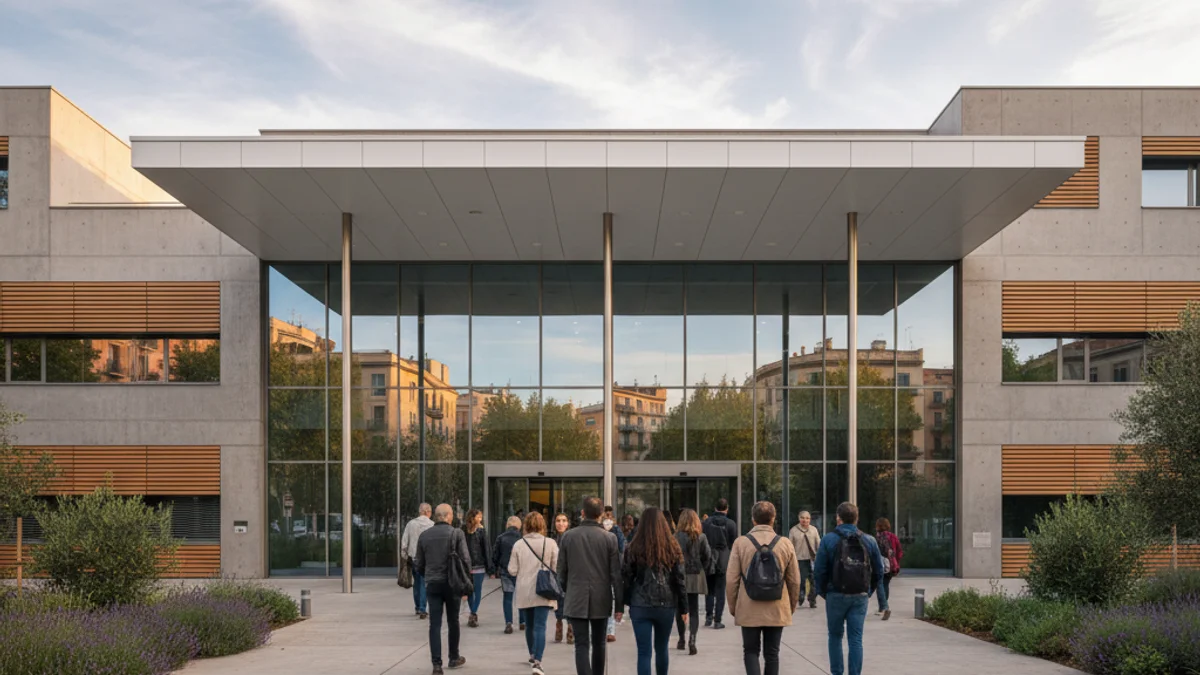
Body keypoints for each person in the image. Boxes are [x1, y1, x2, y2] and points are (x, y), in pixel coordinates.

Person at [726, 501, 801, 675]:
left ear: (753, 519)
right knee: (772, 653)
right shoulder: (785, 543)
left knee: (750, 651)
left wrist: (733, 606)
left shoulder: (741, 543)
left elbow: (731, 580)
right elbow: (795, 580)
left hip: (749, 605)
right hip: (777, 605)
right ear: (773, 519)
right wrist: (791, 606)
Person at [813, 502, 885, 675]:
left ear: (838, 518)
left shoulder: (828, 539)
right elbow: (879, 570)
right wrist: (868, 591)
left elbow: (819, 571)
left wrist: (825, 592)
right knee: (856, 639)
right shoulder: (869, 540)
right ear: (857, 518)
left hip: (835, 594)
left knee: (835, 637)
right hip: (859, 595)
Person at [558, 496, 623, 675]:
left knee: (581, 644)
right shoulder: (610, 539)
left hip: (576, 595)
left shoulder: (568, 537)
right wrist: (619, 605)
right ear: (601, 514)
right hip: (601, 597)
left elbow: (561, 572)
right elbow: (616, 575)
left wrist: (566, 590)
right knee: (599, 643)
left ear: (582, 513)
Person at [620, 507, 687, 675]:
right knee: (662, 648)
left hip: (640, 604)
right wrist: (684, 607)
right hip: (666, 604)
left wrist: (625, 602)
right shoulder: (673, 547)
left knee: (644, 652)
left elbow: (626, 578)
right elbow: (679, 579)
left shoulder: (632, 547)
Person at [414, 503, 470, 673]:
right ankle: (454, 657)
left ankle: (436, 664)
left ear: (435, 517)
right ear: (449, 516)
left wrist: (428, 575)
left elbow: (418, 564)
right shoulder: (456, 533)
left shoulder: (424, 536)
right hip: (452, 583)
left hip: (433, 583)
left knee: (435, 624)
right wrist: (466, 583)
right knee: (453, 621)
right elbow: (466, 559)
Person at [508, 512, 560, 675]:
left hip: (525, 590)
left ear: (526, 525)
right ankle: (538, 661)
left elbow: (512, 570)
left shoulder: (518, 544)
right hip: (544, 589)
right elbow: (556, 567)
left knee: (529, 625)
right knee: (540, 626)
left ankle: (532, 654)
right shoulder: (550, 543)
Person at [673, 508, 712, 655]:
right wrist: (704, 570)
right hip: (696, 574)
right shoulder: (701, 537)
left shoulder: (675, 536)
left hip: (679, 575)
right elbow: (707, 556)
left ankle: (682, 639)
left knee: (680, 608)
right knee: (694, 610)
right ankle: (692, 639)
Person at [702, 497, 738, 629]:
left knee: (709, 590)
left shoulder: (706, 523)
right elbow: (733, 543)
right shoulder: (731, 524)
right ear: (726, 509)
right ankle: (718, 620)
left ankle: (708, 617)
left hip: (709, 558)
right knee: (720, 590)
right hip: (723, 559)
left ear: (715, 508)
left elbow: (702, 540)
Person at [401, 503, 435, 619]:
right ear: (427, 512)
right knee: (424, 583)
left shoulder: (411, 524)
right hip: (427, 558)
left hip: (413, 557)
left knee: (417, 583)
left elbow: (404, 542)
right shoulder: (432, 525)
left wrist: (404, 556)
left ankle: (418, 606)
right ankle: (422, 608)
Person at [462, 508, 493, 629]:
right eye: (479, 517)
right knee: (477, 591)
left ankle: (472, 613)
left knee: (470, 591)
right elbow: (486, 549)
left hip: (467, 565)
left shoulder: (463, 530)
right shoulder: (481, 531)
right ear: (473, 517)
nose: (481, 519)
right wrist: (490, 567)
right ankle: (473, 613)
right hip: (478, 565)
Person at [494, 515, 524, 635]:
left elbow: (495, 555)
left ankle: (508, 622)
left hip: (506, 570)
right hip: (521, 571)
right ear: (519, 525)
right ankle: (523, 621)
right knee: (521, 596)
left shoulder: (501, 538)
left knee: (507, 597)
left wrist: (495, 568)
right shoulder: (522, 538)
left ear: (507, 525)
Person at [601, 507, 625, 643]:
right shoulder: (598, 529)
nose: (608, 519)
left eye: (610, 516)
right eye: (606, 516)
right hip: (601, 569)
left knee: (611, 599)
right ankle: (605, 629)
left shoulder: (617, 530)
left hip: (612, 568)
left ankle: (610, 630)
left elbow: (622, 548)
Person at [788, 510, 821, 609]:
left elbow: (818, 544)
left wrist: (820, 556)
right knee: (801, 580)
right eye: (802, 518)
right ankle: (800, 596)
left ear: (810, 519)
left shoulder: (814, 530)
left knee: (814, 581)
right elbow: (790, 546)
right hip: (799, 559)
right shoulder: (793, 530)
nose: (805, 520)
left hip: (812, 559)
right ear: (799, 519)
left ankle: (812, 599)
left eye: (807, 518)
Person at [551, 512, 574, 644]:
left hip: (570, 575)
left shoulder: (572, 537)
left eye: (564, 521)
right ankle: (559, 625)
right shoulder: (551, 539)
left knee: (570, 602)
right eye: (558, 521)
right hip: (555, 575)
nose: (561, 523)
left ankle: (570, 628)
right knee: (558, 602)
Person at [874, 517, 902, 621]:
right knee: (885, 584)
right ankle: (883, 607)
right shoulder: (893, 537)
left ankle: (883, 607)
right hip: (891, 566)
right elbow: (899, 551)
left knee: (880, 585)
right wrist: (896, 562)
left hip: (880, 566)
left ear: (878, 526)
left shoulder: (876, 538)